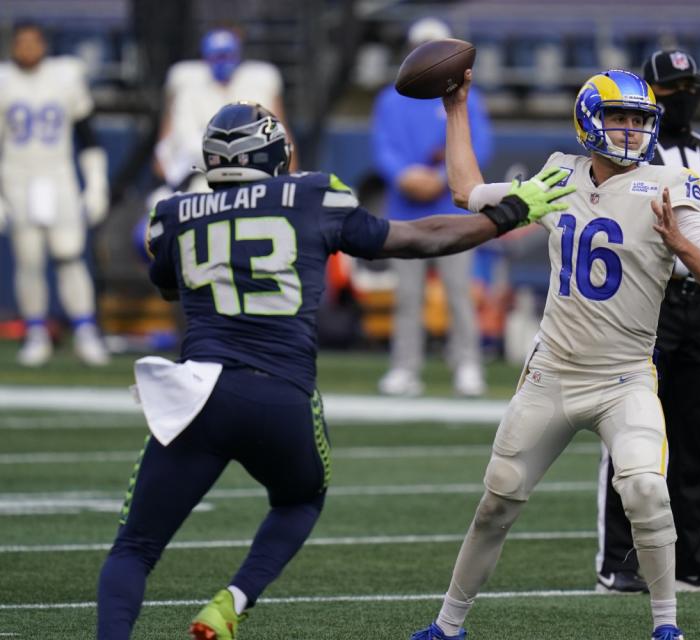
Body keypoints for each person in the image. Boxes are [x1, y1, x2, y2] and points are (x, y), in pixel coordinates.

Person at [95, 101, 572, 640]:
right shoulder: (310, 196)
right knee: (300, 498)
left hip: (198, 394)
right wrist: (506, 213)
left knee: (134, 548)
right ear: (276, 155)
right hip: (281, 394)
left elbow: (165, 281)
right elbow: (419, 239)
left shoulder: (177, 213)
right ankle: (233, 600)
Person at [410, 69, 700, 640]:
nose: (632, 130)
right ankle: (447, 626)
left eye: (640, 120)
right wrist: (456, 108)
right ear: (590, 119)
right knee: (496, 503)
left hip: (625, 379)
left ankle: (667, 628)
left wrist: (682, 243)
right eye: (620, 118)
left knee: (646, 490)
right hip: (553, 375)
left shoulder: (672, 185)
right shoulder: (559, 173)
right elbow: (467, 191)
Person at [595, 49, 700, 596]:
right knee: (632, 430)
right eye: (674, 86)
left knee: (692, 438)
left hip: (698, 304)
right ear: (651, 95)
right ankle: (619, 559)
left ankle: (691, 558)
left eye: (692, 85)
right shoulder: (632, 152)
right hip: (648, 302)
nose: (686, 94)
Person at [374, 17, 493, 398]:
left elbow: (482, 144)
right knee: (407, 296)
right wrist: (406, 176)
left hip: (453, 209)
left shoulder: (467, 98)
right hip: (406, 209)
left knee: (460, 291)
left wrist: (441, 179)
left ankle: (468, 364)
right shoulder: (389, 100)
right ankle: (405, 368)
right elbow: (383, 149)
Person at [0, 22, 110, 367]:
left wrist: (95, 183)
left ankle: (85, 330)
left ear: (44, 44)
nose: (28, 49)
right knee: (29, 259)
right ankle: (35, 331)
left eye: (34, 42)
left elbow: (87, 134)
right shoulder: (3, 79)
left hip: (58, 176)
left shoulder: (65, 75)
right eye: (22, 43)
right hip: (16, 177)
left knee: (69, 254)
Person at [154, 27, 291, 195]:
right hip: (197, 182)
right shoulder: (188, 90)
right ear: (206, 57)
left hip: (252, 183)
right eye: (217, 56)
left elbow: (284, 151)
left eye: (227, 55)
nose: (223, 62)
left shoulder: (256, 88)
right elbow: (163, 161)